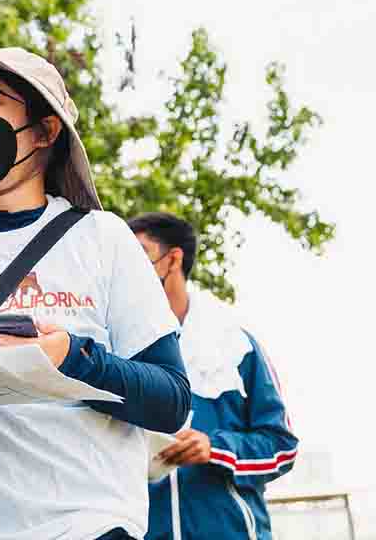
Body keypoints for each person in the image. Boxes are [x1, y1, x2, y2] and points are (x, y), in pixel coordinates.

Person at [0, 28, 193, 540]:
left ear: (46, 131)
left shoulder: (103, 240)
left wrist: (72, 358)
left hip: (83, 526)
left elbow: (171, 399)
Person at [128, 212, 298, 540]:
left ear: (172, 259)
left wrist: (215, 449)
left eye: (139, 256)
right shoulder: (116, 350)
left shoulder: (237, 347)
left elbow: (283, 447)